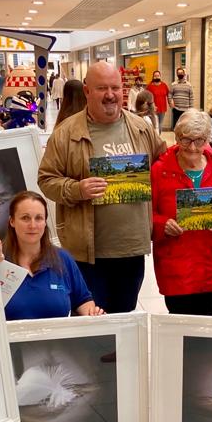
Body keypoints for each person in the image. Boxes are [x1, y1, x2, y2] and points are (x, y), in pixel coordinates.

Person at [38, 61, 166, 314]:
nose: (110, 95)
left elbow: (166, 165)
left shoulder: (141, 128)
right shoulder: (66, 133)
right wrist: (78, 189)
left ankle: (122, 356)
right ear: (87, 91)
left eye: (115, 88)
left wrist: (206, 166)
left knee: (125, 315)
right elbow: (46, 179)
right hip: (88, 252)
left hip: (131, 247)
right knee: (93, 322)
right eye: (102, 88)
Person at [150, 108, 212, 314]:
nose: (191, 148)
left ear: (208, 139)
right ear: (176, 137)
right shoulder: (160, 170)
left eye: (199, 141)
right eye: (185, 140)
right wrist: (162, 224)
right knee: (181, 336)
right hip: (178, 272)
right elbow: (144, 214)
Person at [4, 191, 104, 320]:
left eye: (39, 218)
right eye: (25, 218)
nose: (32, 225)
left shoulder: (63, 259)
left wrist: (93, 314)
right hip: (10, 340)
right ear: (12, 221)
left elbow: (82, 300)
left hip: (58, 340)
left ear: (45, 223)